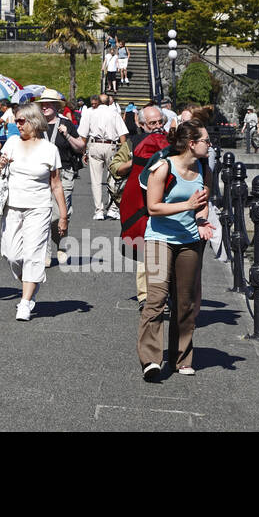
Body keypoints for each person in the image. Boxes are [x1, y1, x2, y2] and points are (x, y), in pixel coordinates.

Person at [137, 120, 215, 381]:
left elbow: (203, 201)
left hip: (190, 240)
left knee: (185, 302)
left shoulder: (203, 167)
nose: (209, 144)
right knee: (156, 298)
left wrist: (202, 219)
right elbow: (153, 208)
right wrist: (187, 205)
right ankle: (151, 359)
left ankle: (181, 357)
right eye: (205, 140)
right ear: (192, 144)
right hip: (159, 238)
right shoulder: (164, 168)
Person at [0, 103, 69, 320]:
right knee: (11, 254)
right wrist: (1, 163)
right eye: (16, 121)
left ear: (34, 122)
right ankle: (31, 282)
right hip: (13, 207)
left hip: (39, 208)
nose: (16, 124)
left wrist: (62, 216)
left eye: (20, 121)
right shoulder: (12, 142)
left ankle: (25, 302)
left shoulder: (49, 149)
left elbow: (56, 185)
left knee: (33, 254)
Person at [115, 103, 170, 310]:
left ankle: (162, 292)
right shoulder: (132, 143)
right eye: (151, 123)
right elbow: (115, 167)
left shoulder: (170, 142)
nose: (156, 126)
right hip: (139, 201)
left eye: (159, 122)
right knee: (145, 250)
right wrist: (137, 162)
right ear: (141, 123)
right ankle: (146, 296)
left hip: (166, 201)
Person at [35, 89, 85, 262]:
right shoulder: (36, 125)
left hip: (64, 172)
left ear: (56, 106)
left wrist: (67, 134)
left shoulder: (66, 123)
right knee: (45, 213)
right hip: (42, 173)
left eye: (49, 104)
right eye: (43, 104)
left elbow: (80, 147)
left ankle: (62, 243)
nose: (45, 107)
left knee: (62, 213)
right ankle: (46, 252)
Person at [78, 91, 129, 221]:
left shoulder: (90, 112)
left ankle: (99, 210)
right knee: (113, 178)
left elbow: (83, 135)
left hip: (95, 145)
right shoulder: (114, 113)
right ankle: (113, 208)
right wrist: (124, 153)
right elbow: (123, 134)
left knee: (96, 180)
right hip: (111, 145)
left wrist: (84, 151)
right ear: (109, 103)